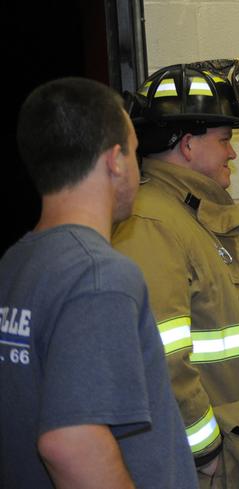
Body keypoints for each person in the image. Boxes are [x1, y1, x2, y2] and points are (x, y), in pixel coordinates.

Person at [0, 78, 198, 488]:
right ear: (115, 161)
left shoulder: (16, 264)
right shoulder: (99, 275)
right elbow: (71, 444)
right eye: (135, 152)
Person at [113, 59, 239, 489]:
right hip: (221, 467)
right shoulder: (153, 224)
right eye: (225, 139)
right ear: (188, 144)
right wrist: (204, 451)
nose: (232, 152)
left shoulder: (194, 217)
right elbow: (159, 355)